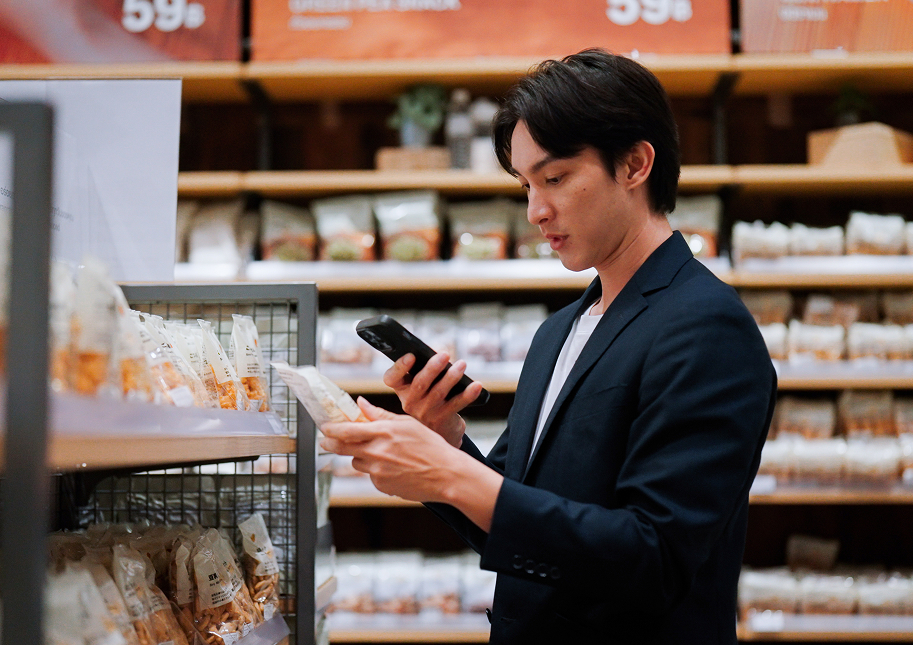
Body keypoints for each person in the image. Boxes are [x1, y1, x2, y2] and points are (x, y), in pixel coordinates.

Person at [320, 48, 776, 644]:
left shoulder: (707, 327)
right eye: (526, 184)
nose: (536, 210)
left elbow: (654, 557)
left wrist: (453, 476)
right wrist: (449, 447)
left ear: (635, 164)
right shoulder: (560, 328)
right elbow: (516, 524)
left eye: (555, 178)